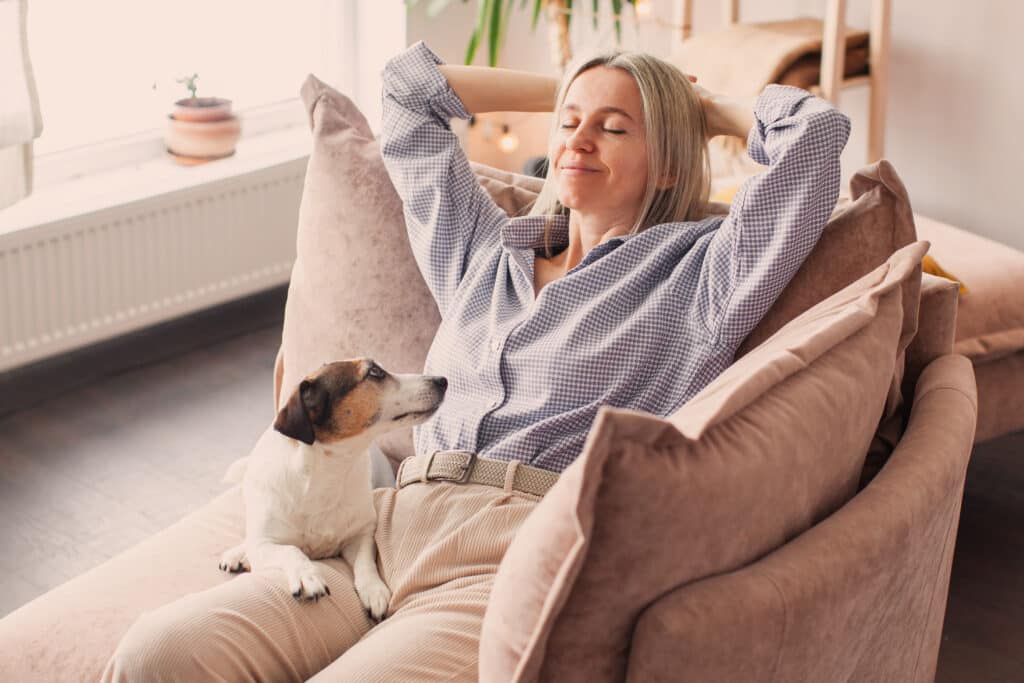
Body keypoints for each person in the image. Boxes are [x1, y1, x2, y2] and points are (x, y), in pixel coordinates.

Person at [101, 39, 849, 681]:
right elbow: (407, 93)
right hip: (382, 524)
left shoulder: (699, 278)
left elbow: (815, 138)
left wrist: (696, 104)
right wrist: (573, 86)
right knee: (158, 652)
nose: (578, 139)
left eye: (615, 128)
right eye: (569, 123)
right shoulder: (485, 252)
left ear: (666, 166)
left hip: (512, 552)